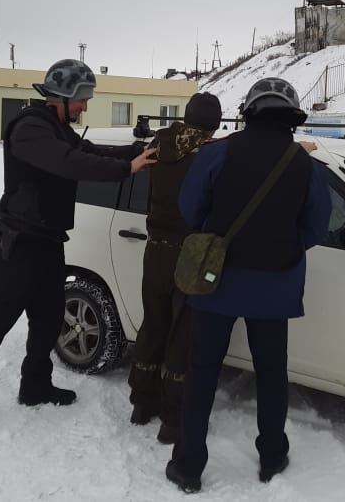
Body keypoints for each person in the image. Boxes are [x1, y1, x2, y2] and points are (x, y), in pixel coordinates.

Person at [0, 59, 157, 434]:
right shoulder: (30, 129)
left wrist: (138, 150)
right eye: (82, 99)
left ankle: (35, 384)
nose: (85, 107)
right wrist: (128, 169)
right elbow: (71, 162)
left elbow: (89, 150)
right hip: (18, 243)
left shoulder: (56, 126)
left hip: (47, 240)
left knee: (48, 316)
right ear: (62, 95)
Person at [166, 77, 331, 493]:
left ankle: (188, 466)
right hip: (276, 287)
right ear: (291, 119)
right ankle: (272, 456)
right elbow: (315, 228)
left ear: (249, 112)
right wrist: (283, 245)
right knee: (272, 373)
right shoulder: (307, 166)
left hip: (216, 282)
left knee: (202, 371)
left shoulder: (217, 154)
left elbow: (189, 209)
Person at [128, 92, 224, 445]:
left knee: (153, 325)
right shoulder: (210, 156)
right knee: (183, 335)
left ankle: (141, 403)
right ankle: (172, 418)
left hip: (155, 251)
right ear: (212, 125)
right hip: (190, 254)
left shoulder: (160, 144)